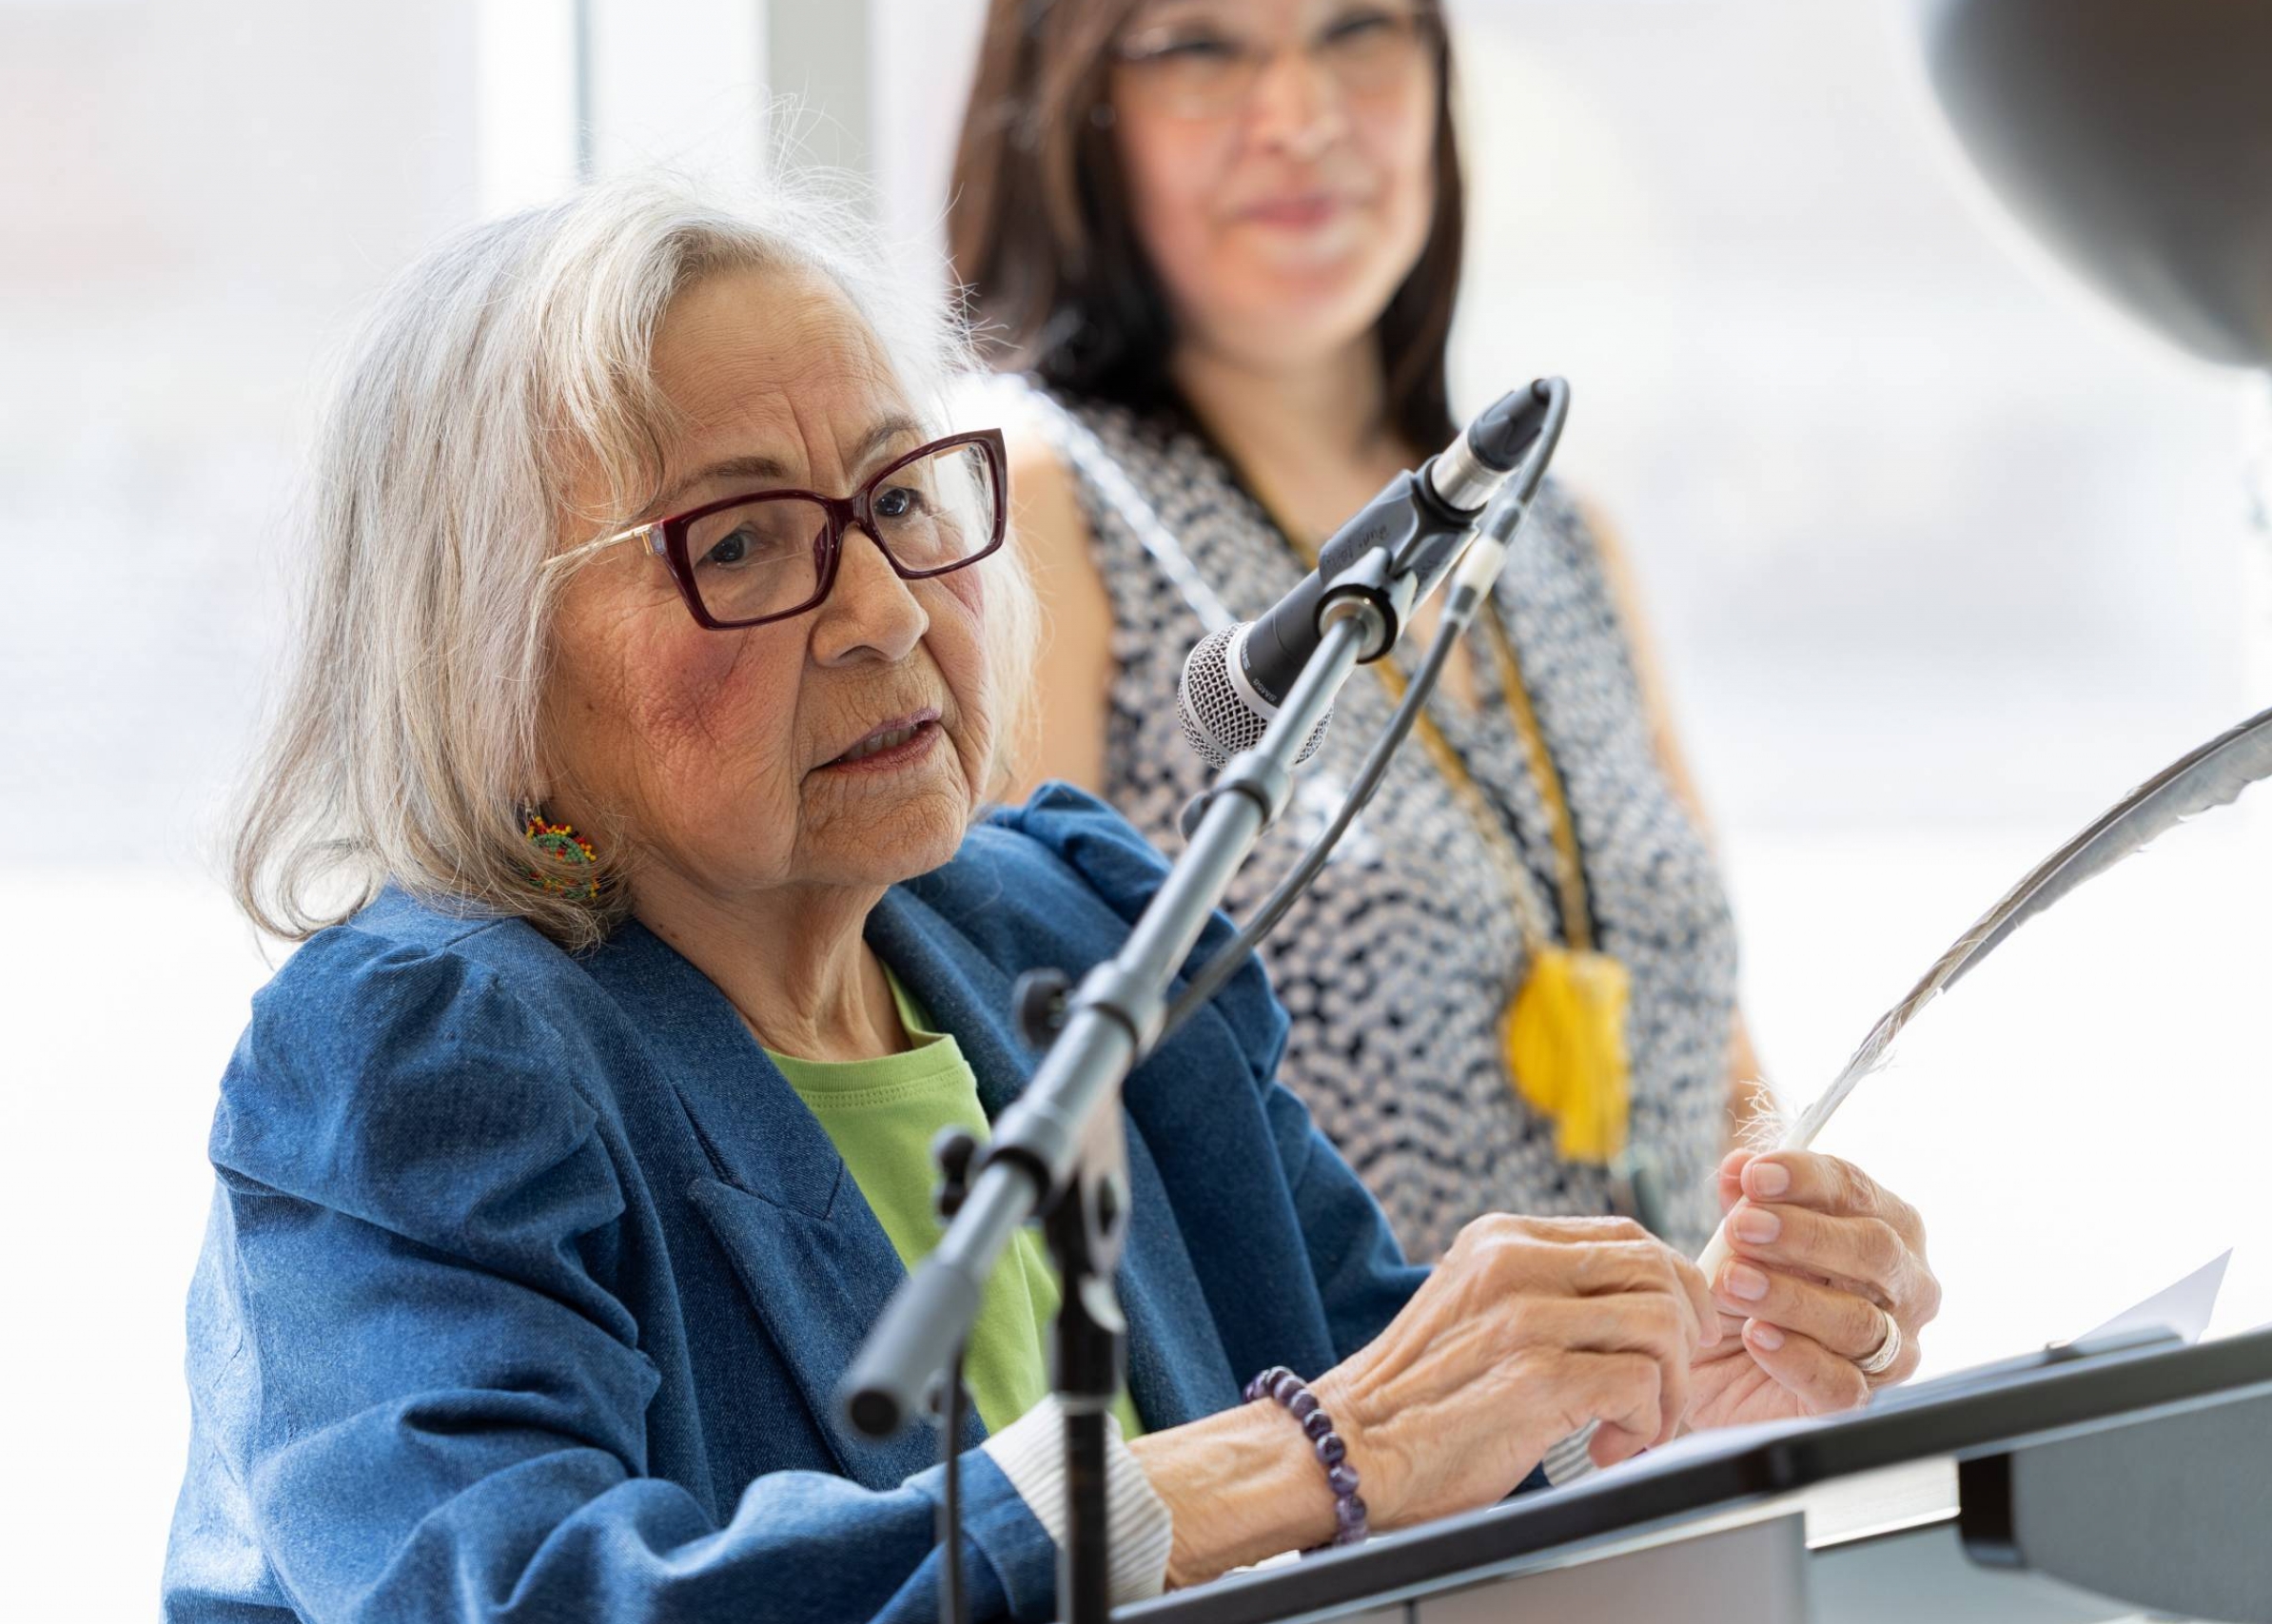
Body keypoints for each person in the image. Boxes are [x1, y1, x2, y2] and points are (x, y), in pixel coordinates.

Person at [161, 171, 1939, 1624]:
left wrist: (1655, 1414)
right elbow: (529, 1602)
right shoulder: (422, 1055)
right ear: (481, 656)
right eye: (741, 542)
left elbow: (1405, 1437)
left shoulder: (1073, 932)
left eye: (899, 497)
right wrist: (1307, 1459)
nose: (879, 612)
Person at [952, 0, 1763, 1256]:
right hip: (1342, 1440)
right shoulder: (1031, 505)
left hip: (1679, 1435)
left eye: (1359, 31)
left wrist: (1817, 1271)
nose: (1302, 119)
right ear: (1068, 110)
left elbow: (1731, 1087)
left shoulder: (1561, 540)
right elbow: (1010, 1111)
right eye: (1203, 48)